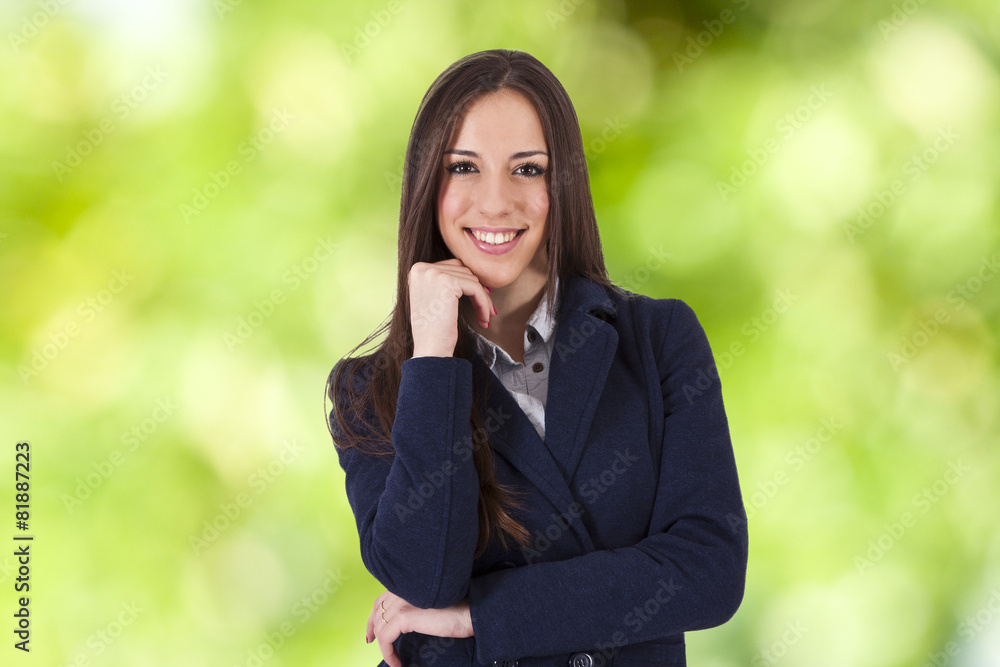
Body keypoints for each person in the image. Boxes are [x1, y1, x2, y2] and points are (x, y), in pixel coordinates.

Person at [325, 48, 748, 667]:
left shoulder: (658, 339)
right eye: (463, 167)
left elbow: (709, 569)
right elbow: (425, 578)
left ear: (563, 183)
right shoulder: (373, 390)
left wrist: (481, 616)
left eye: (527, 170)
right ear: (426, 185)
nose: (496, 203)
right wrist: (434, 359)